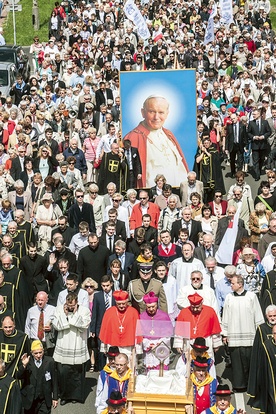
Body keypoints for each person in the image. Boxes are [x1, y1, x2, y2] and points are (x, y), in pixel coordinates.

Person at [123, 95, 188, 187]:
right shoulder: (133, 137)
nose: (156, 117)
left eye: (161, 112)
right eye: (152, 112)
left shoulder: (168, 134)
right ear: (143, 112)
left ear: (167, 114)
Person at [222, 275, 264, 391]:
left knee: (250, 362)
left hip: (249, 336)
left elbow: (258, 314)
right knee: (237, 364)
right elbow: (225, 315)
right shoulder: (229, 297)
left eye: (233, 283)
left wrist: (260, 333)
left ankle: (252, 386)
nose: (231, 285)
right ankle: (239, 385)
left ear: (240, 284)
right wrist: (225, 334)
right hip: (234, 336)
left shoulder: (251, 296)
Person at [52, 292, 90, 405]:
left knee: (77, 373)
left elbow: (85, 324)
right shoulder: (59, 309)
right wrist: (64, 314)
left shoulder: (84, 311)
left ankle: (76, 397)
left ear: (77, 302)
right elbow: (57, 325)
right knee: (63, 373)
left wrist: (74, 314)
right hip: (64, 345)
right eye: (68, 306)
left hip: (78, 344)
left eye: (72, 306)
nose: (70, 308)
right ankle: (65, 396)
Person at [16, 340, 58, 414]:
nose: (38, 355)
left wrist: (55, 397)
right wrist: (24, 366)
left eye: (40, 352)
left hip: (44, 399)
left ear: (43, 351)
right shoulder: (27, 362)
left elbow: (54, 380)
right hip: (30, 400)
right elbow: (18, 376)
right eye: (36, 353)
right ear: (31, 353)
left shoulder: (50, 361)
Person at [247, 304, 276, 409]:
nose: (273, 318)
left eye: (274, 315)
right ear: (266, 316)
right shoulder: (262, 328)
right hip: (266, 363)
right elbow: (257, 349)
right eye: (270, 316)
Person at [176, 293, 222, 358]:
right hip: (189, 342)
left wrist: (216, 344)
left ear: (201, 304)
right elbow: (179, 331)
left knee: (206, 362)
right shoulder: (184, 312)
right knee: (189, 363)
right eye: (193, 307)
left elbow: (215, 329)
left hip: (205, 341)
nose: (195, 309)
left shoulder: (210, 311)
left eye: (197, 307)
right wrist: (178, 344)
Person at [139, 292, 173, 370]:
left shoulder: (164, 316)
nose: (151, 309)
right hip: (149, 348)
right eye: (148, 307)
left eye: (153, 307)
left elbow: (168, 335)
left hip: (161, 348)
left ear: (157, 304)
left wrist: (158, 344)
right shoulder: (142, 317)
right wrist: (147, 344)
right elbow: (140, 334)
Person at [247, 108, 271, 181]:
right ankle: (257, 175)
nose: (253, 115)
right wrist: (254, 137)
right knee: (255, 160)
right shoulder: (251, 123)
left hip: (263, 145)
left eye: (255, 114)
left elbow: (269, 132)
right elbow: (248, 133)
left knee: (262, 159)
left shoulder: (265, 122)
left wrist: (263, 136)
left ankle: (259, 170)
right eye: (253, 114)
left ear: (259, 114)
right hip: (255, 145)